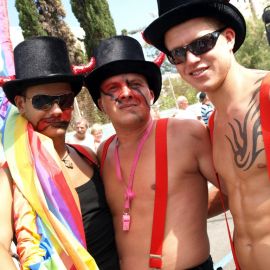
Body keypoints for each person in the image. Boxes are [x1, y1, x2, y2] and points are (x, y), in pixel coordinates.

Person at [144, 0, 270, 269]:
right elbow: (235, 193)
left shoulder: (268, 95)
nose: (191, 60)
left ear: (228, 38)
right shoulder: (213, 124)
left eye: (202, 44)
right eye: (177, 53)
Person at [85, 35, 220, 270]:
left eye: (135, 84)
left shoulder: (186, 134)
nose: (126, 93)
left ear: (151, 93)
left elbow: (237, 190)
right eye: (112, 88)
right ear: (101, 104)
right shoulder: (103, 152)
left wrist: (191, 213)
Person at [1, 36, 119, 269]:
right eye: (43, 101)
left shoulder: (87, 156)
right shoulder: (10, 175)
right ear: (21, 104)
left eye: (64, 100)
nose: (56, 110)